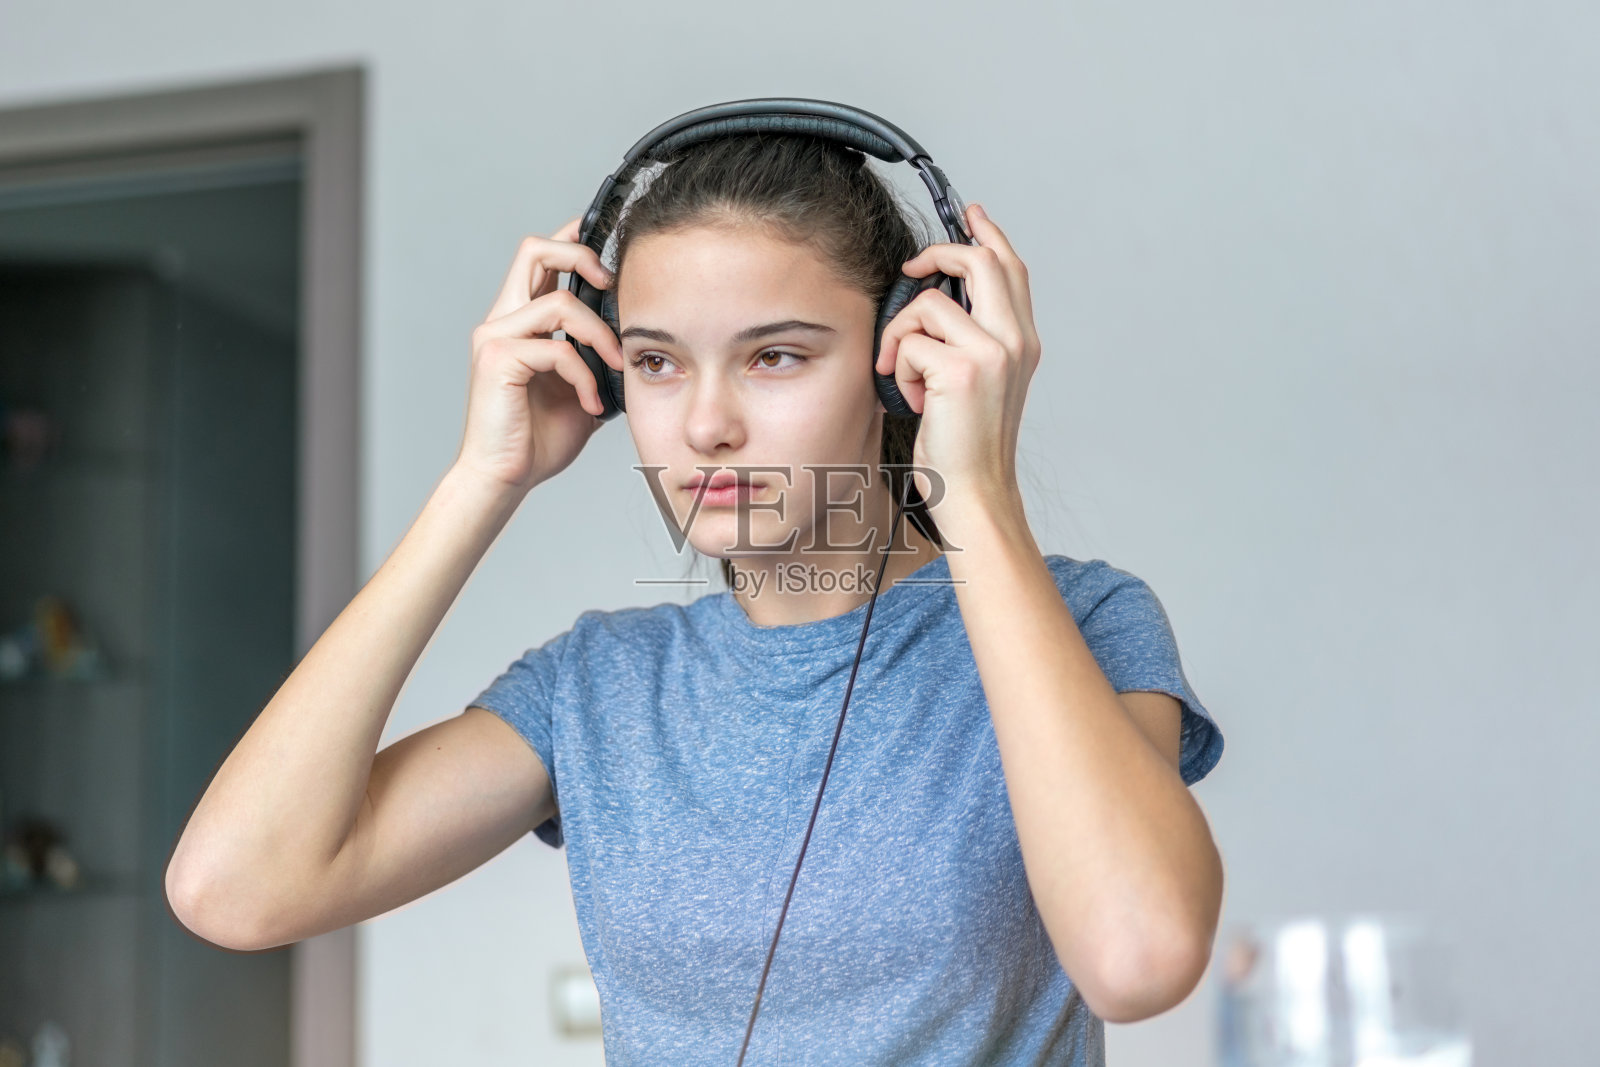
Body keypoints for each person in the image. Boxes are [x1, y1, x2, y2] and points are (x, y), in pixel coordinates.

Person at [164, 132, 1224, 1066]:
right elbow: (236, 888)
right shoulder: (599, 685)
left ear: (903, 353)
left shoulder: (1081, 623)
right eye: (657, 362)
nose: (706, 424)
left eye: (774, 355)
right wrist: (479, 481)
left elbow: (1138, 957)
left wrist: (976, 491)